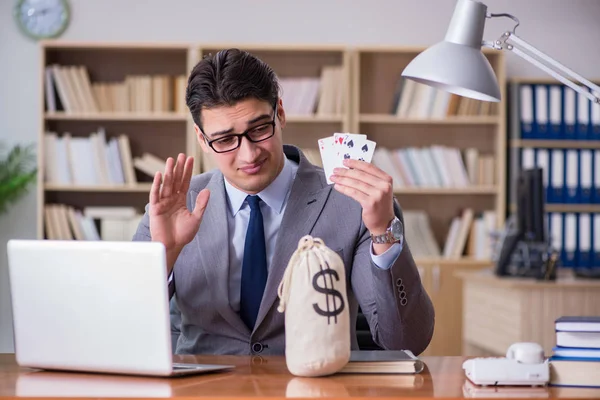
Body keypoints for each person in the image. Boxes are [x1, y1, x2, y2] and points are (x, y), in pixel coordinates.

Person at [132, 48, 434, 356]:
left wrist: (383, 233)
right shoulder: (172, 207)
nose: (249, 155)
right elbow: (126, 330)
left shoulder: (350, 203)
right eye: (224, 140)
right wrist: (164, 256)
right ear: (201, 138)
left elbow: (406, 342)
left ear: (281, 113)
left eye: (260, 128)